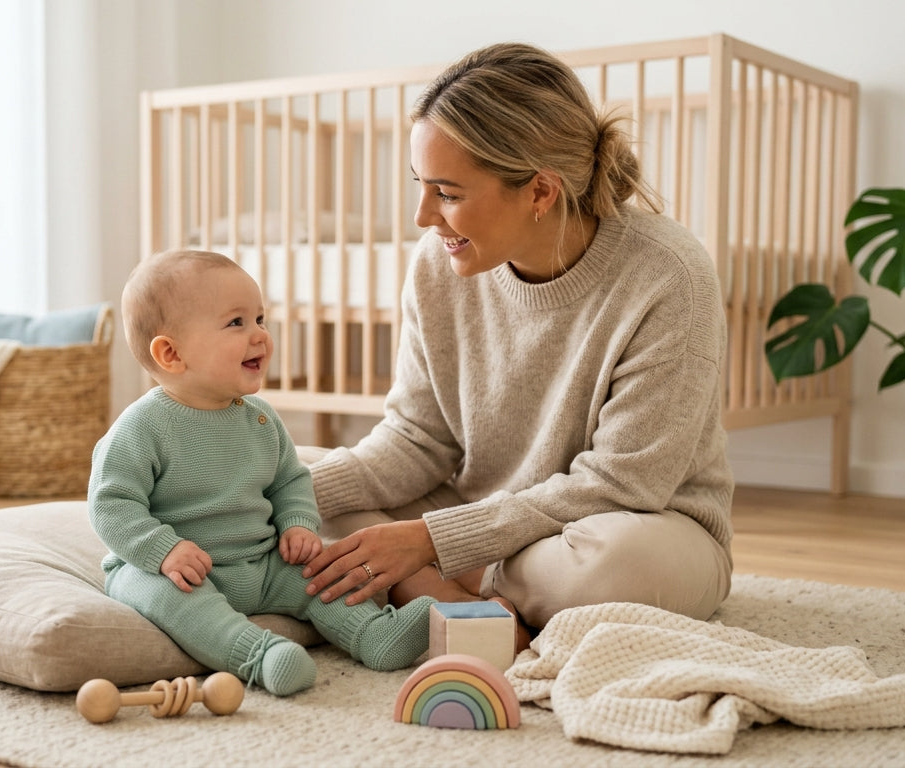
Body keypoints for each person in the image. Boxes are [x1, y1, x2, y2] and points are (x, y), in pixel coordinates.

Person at [300, 42, 734, 648]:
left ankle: (423, 586)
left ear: (539, 191)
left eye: (447, 193)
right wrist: (276, 493)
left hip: (629, 528)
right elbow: (416, 440)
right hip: (481, 516)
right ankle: (454, 598)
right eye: (420, 186)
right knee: (293, 479)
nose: (423, 216)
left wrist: (431, 542)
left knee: (617, 568)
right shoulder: (435, 265)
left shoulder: (669, 275)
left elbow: (621, 486)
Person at [89, 249, 434, 698]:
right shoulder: (142, 427)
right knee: (173, 601)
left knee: (318, 577)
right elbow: (111, 505)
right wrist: (163, 551)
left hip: (261, 564)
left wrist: (297, 524)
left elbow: (290, 481)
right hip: (177, 571)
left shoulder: (260, 419)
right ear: (171, 353)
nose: (260, 336)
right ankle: (258, 656)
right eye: (237, 323)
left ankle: (372, 633)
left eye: (260, 319)